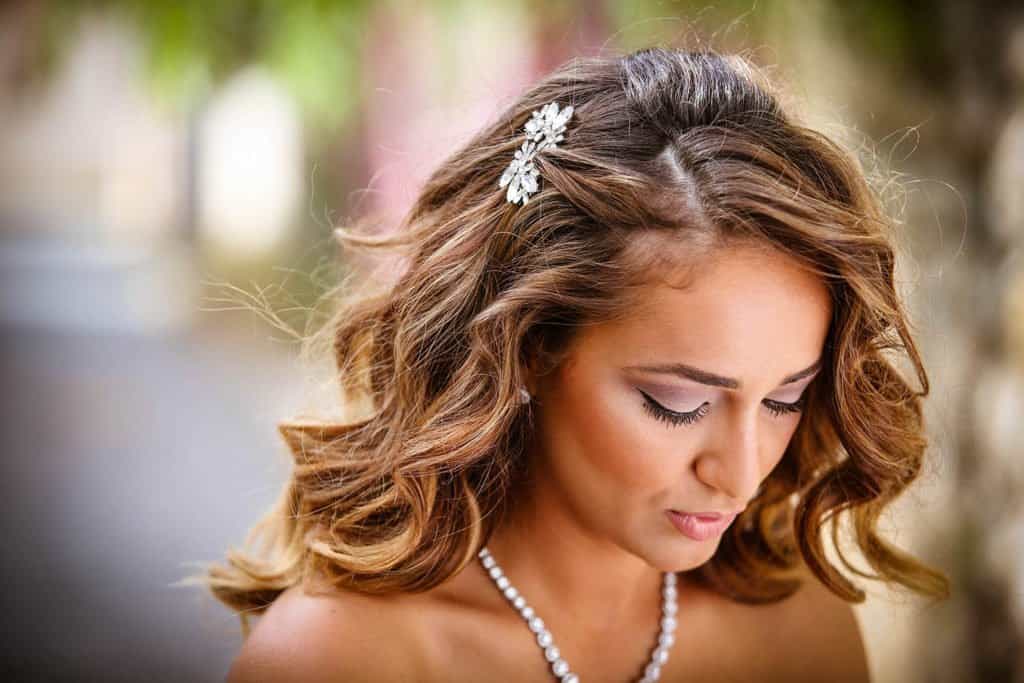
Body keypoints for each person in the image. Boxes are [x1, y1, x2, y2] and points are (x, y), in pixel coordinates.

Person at [193, 46, 950, 682]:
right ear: (527, 349)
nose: (741, 472)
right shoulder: (337, 658)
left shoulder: (797, 630)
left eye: (785, 398)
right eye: (678, 403)